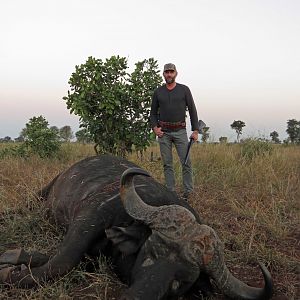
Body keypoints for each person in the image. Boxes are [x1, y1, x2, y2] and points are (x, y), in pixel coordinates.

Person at [150, 63, 199, 200]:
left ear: (176, 73)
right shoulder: (158, 92)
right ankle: (170, 192)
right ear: (163, 74)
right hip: (163, 133)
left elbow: (193, 109)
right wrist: (155, 128)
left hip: (180, 131)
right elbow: (153, 113)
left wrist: (195, 130)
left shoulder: (184, 90)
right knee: (167, 163)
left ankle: (188, 191)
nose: (169, 74)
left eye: (171, 72)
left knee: (186, 162)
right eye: (167, 72)